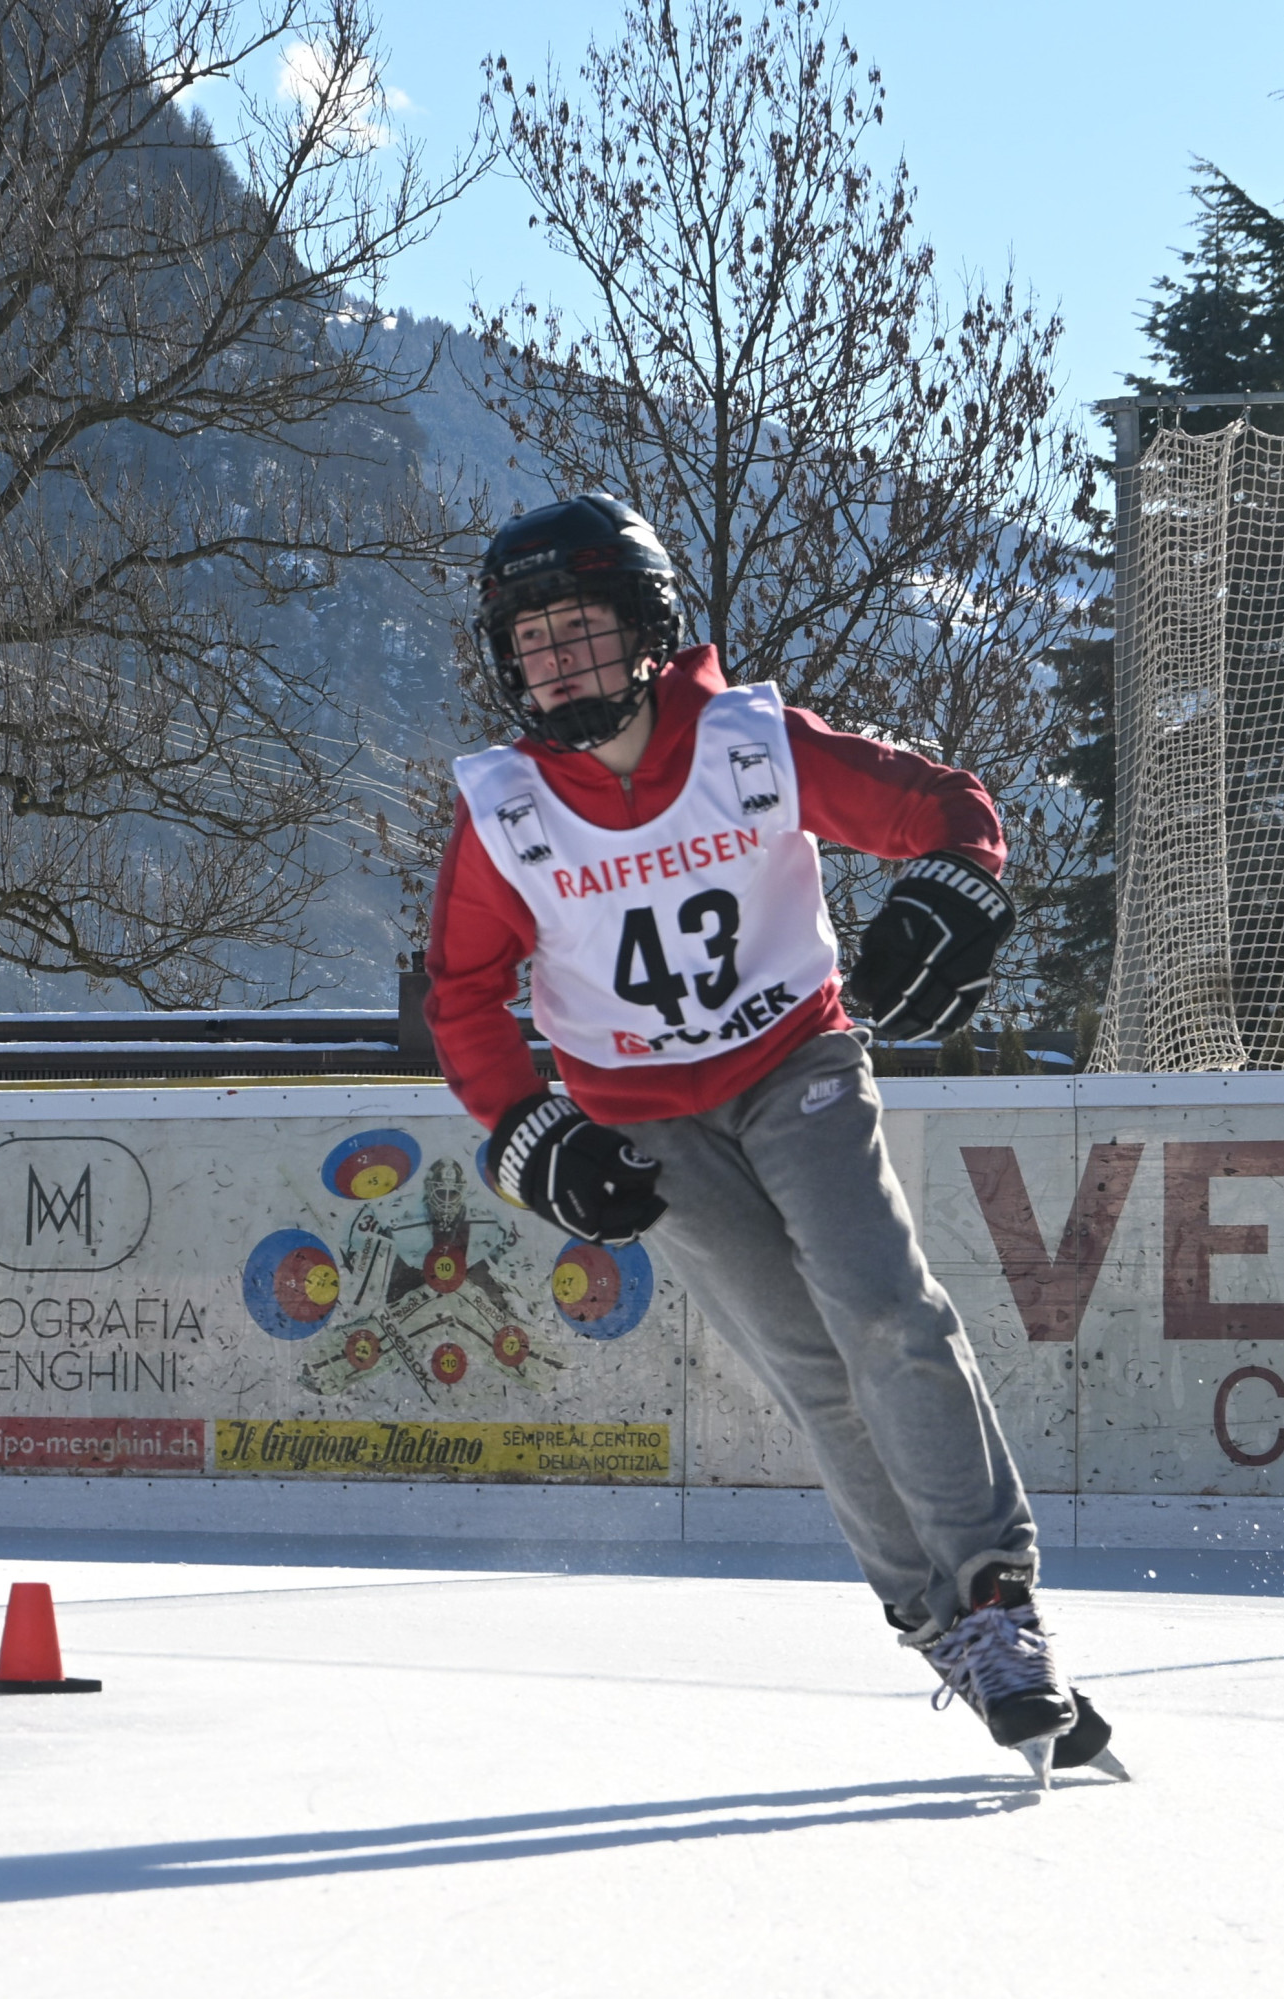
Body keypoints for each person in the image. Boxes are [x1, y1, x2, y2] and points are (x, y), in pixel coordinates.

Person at [424, 494, 1123, 1784]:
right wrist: (529, 1131)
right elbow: (460, 994)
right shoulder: (506, 811)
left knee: (884, 1312)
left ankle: (997, 1597)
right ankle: (937, 1624)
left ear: (644, 628)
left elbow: (945, 804)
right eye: (531, 642)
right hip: (644, 1121)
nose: (555, 662)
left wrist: (952, 887)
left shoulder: (748, 746)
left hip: (794, 1065)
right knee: (809, 1366)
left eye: (578, 630)